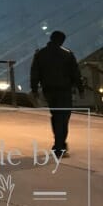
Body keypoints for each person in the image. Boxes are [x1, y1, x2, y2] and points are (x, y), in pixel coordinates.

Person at [30, 30, 84, 158]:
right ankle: (60, 147)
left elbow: (34, 73)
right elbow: (75, 73)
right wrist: (81, 89)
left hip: (48, 90)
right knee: (63, 118)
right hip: (64, 90)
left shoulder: (40, 54)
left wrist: (34, 89)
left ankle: (59, 144)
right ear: (62, 41)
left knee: (56, 116)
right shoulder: (67, 54)